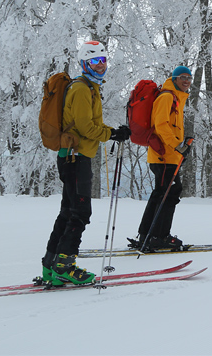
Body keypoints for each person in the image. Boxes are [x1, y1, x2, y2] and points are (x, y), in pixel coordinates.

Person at [41, 41, 130, 285]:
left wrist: (112, 131)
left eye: (103, 61)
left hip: (73, 156)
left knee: (68, 211)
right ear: (84, 64)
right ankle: (64, 266)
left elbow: (88, 124)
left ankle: (51, 265)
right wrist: (111, 134)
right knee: (80, 212)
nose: (100, 66)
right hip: (75, 156)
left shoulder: (89, 88)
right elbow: (84, 127)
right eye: (94, 62)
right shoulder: (81, 89)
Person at [134, 65, 193, 251]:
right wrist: (178, 146)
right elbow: (160, 125)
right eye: (182, 77)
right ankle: (158, 236)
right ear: (174, 78)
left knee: (163, 193)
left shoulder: (176, 98)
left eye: (189, 78)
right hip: (163, 156)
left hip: (169, 156)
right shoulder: (167, 96)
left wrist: (180, 148)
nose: (186, 80)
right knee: (168, 193)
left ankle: (148, 235)